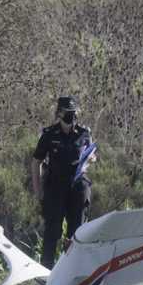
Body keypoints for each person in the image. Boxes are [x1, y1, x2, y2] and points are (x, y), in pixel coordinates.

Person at [31, 96, 95, 268]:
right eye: (68, 113)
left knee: (77, 231)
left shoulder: (84, 133)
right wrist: (38, 191)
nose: (72, 117)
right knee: (53, 230)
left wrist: (91, 159)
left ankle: (72, 268)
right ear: (59, 113)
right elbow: (36, 161)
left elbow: (91, 154)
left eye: (74, 113)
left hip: (78, 187)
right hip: (55, 187)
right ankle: (46, 269)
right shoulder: (49, 134)